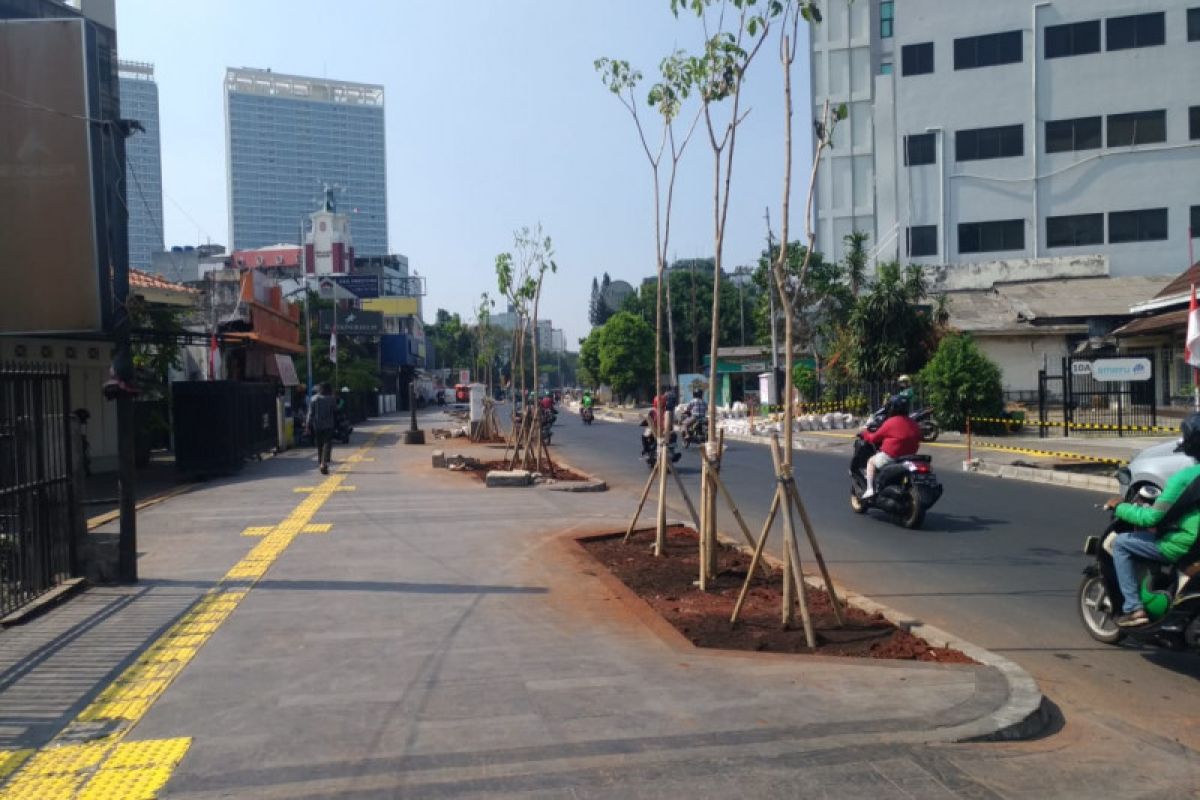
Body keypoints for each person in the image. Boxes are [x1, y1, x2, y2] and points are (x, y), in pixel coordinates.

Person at [1102, 413, 1200, 627]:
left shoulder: (1185, 478)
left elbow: (1152, 517)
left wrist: (1121, 506)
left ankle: (1134, 609)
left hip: (1187, 545)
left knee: (1121, 544)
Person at [860, 396, 920, 499]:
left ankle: (870, 489)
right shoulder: (913, 423)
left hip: (891, 457)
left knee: (871, 461)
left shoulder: (890, 422)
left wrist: (865, 434)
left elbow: (874, 438)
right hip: (909, 457)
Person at [306, 382, 337, 474]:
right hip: (329, 424)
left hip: (317, 425)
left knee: (319, 444)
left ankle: (321, 463)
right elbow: (335, 410)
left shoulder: (313, 398)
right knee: (327, 443)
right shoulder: (331, 398)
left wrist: (307, 425)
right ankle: (324, 463)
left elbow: (310, 413)